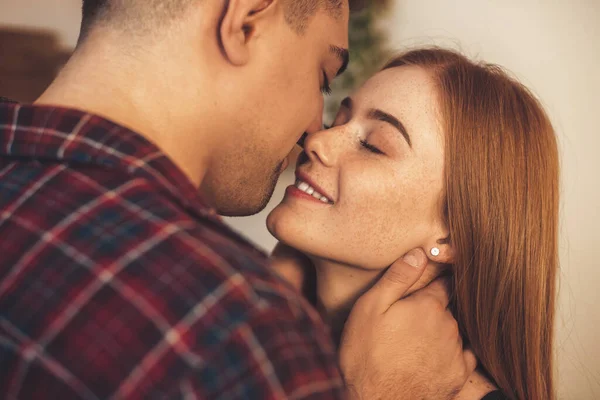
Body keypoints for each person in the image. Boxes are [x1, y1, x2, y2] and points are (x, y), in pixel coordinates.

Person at [0, 1, 475, 399]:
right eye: (323, 78)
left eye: (373, 145)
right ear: (244, 20)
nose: (316, 130)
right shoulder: (237, 329)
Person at [268, 48, 559, 400]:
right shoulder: (262, 333)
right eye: (337, 122)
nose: (316, 140)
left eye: (372, 145)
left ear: (452, 236)